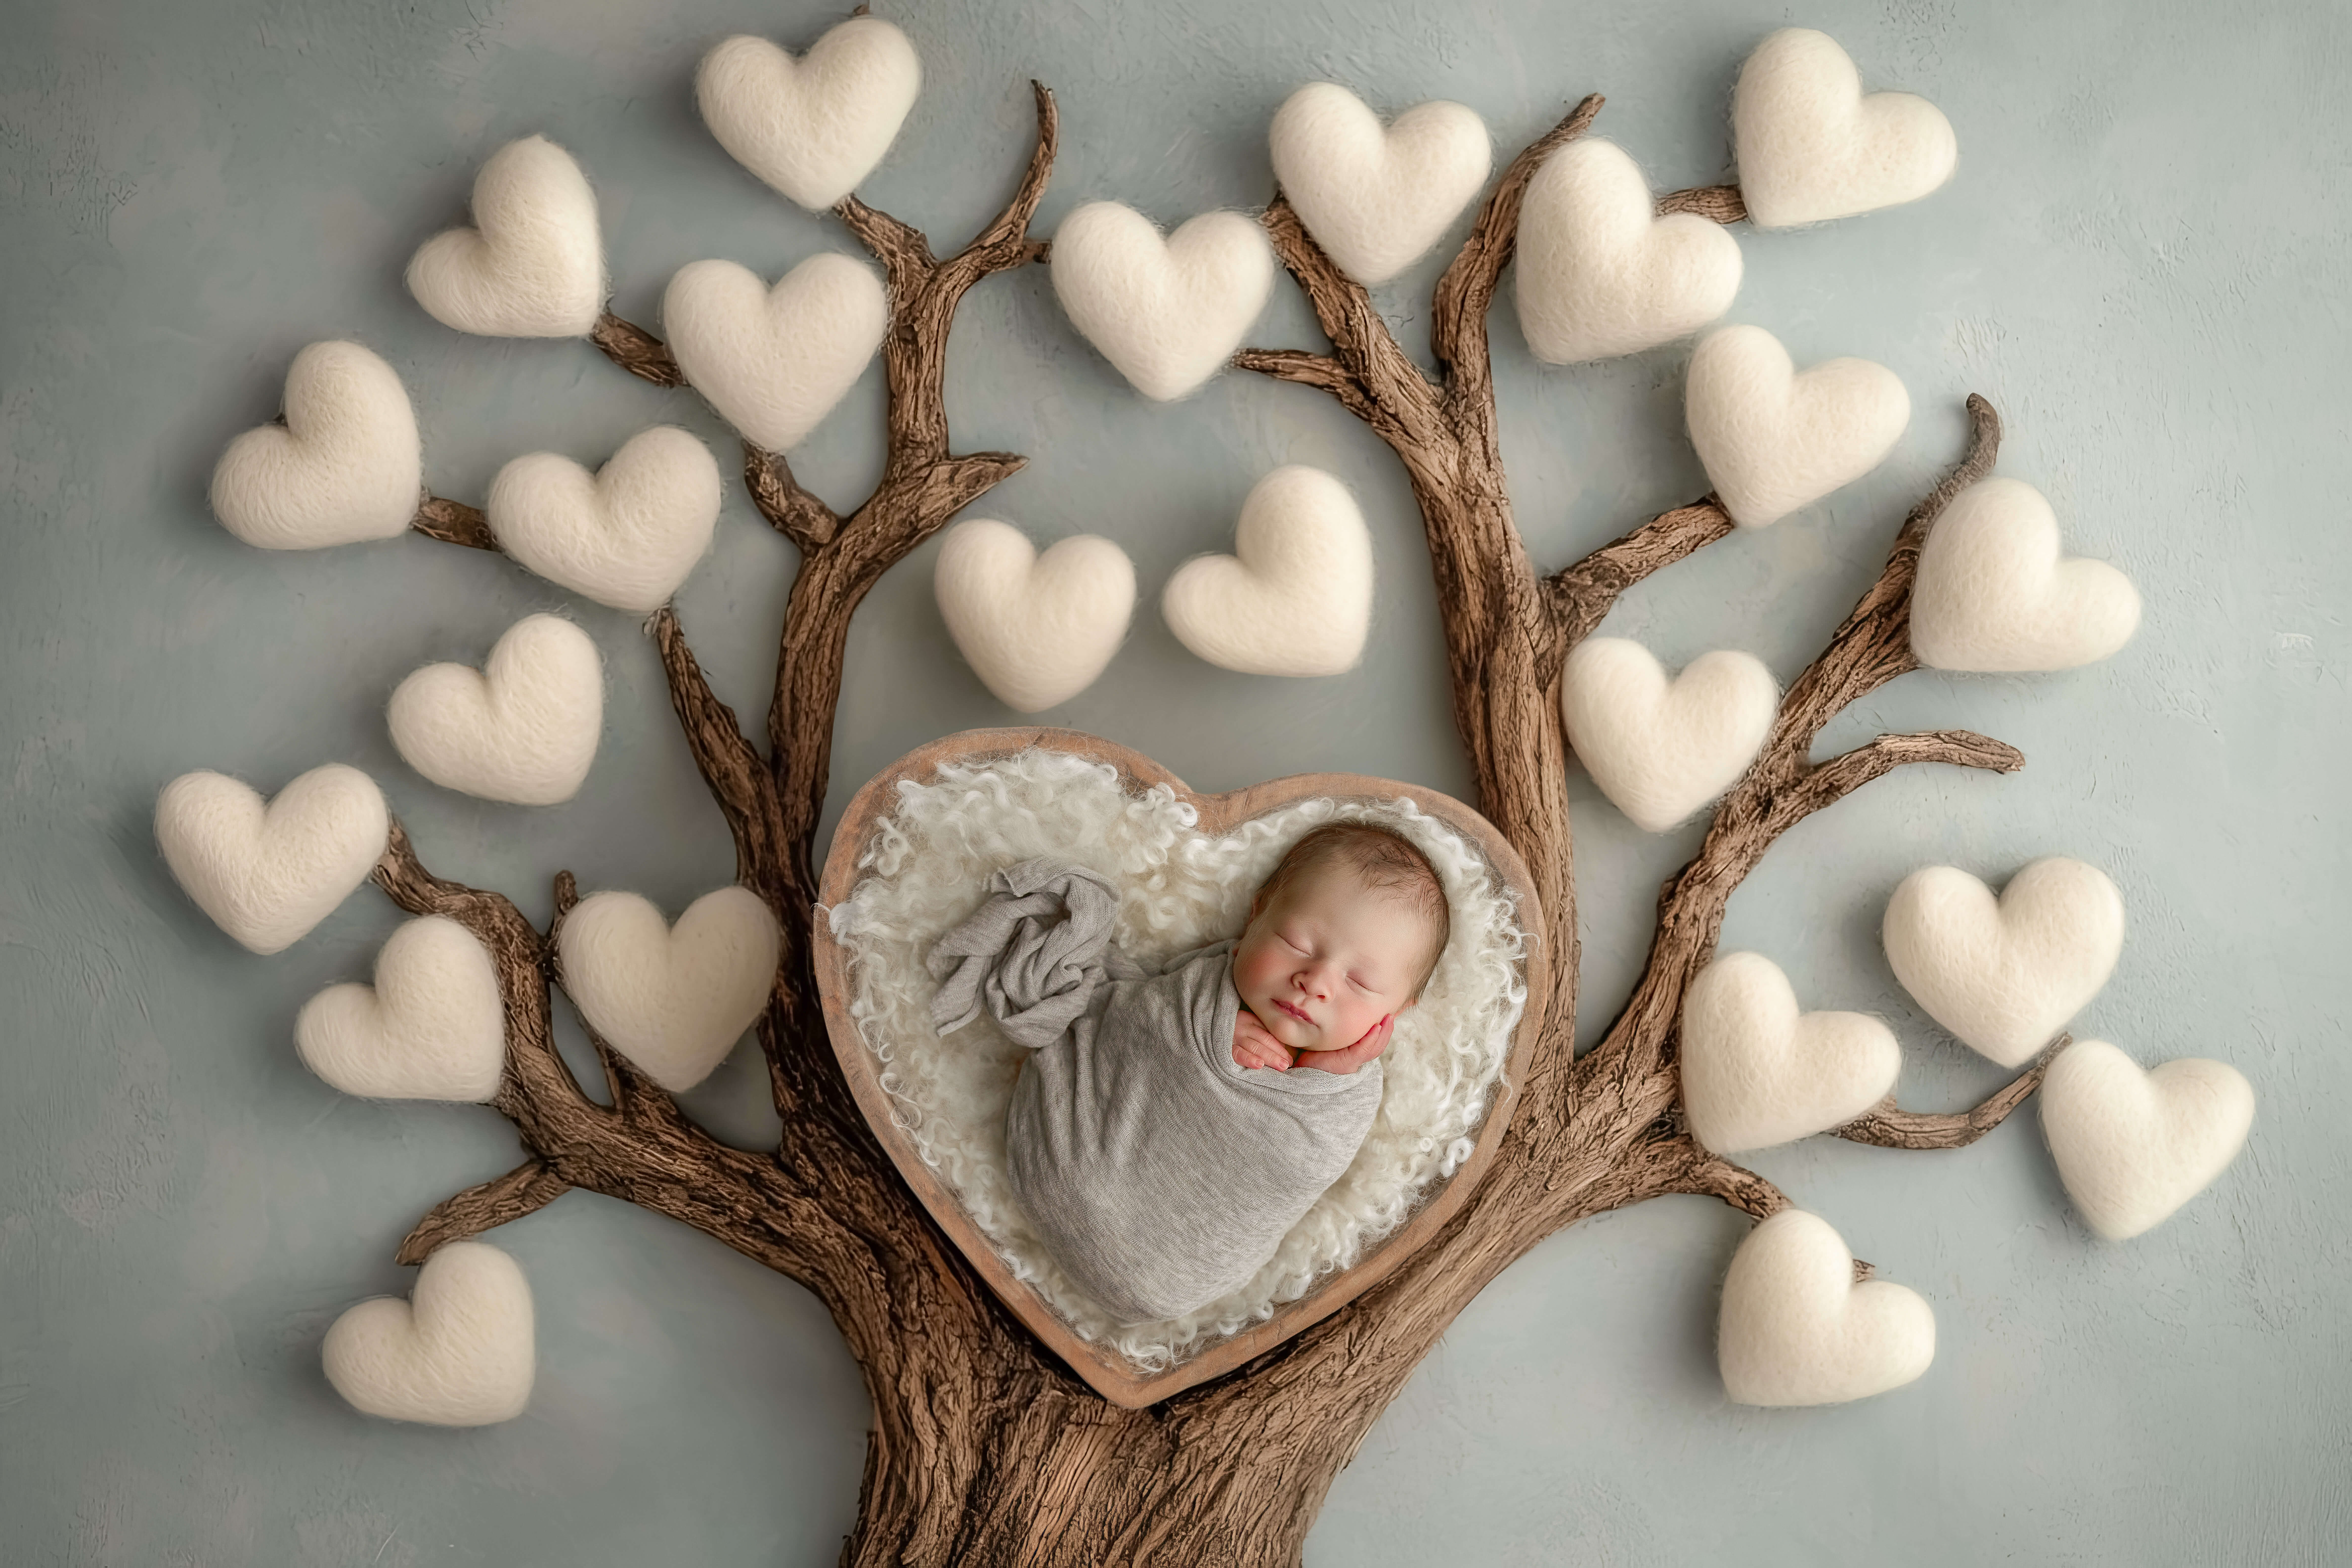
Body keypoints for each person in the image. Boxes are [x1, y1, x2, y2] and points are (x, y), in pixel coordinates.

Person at [927, 821, 1451, 1326]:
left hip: (1168, 1282)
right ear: (1257, 915)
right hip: (1060, 1166)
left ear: (1398, 1010)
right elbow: (1141, 1020)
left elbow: (1304, 1164)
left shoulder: (1349, 1097)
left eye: (1360, 982)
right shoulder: (1202, 991)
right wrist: (1212, 1030)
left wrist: (1321, 1077)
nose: (1315, 982)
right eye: (1298, 944)